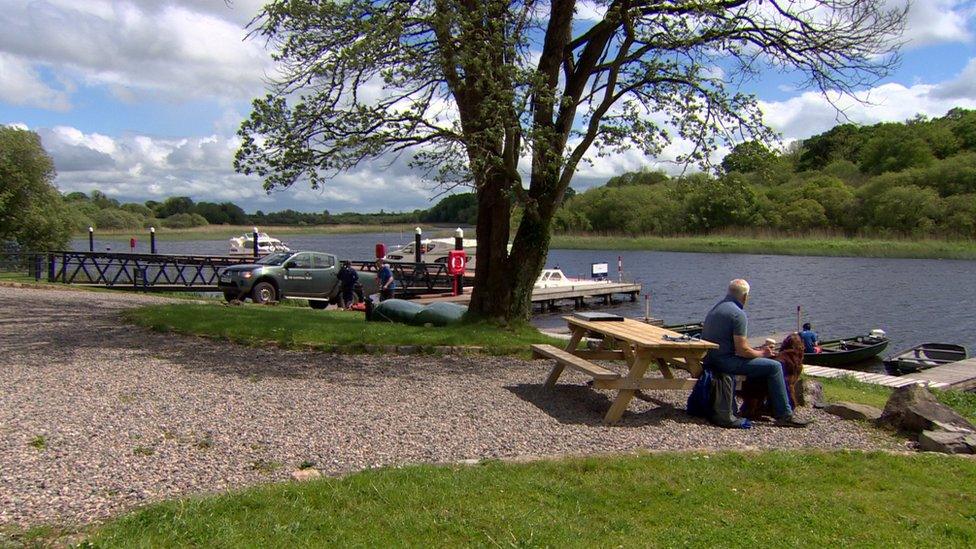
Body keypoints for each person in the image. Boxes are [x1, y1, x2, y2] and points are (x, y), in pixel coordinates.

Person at [701, 279, 811, 428]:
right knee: (775, 367)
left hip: (709, 359)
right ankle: (784, 414)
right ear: (745, 296)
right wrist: (763, 353)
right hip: (725, 362)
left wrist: (755, 352)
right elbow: (742, 350)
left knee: (765, 364)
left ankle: (758, 406)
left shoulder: (716, 308)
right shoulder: (738, 314)